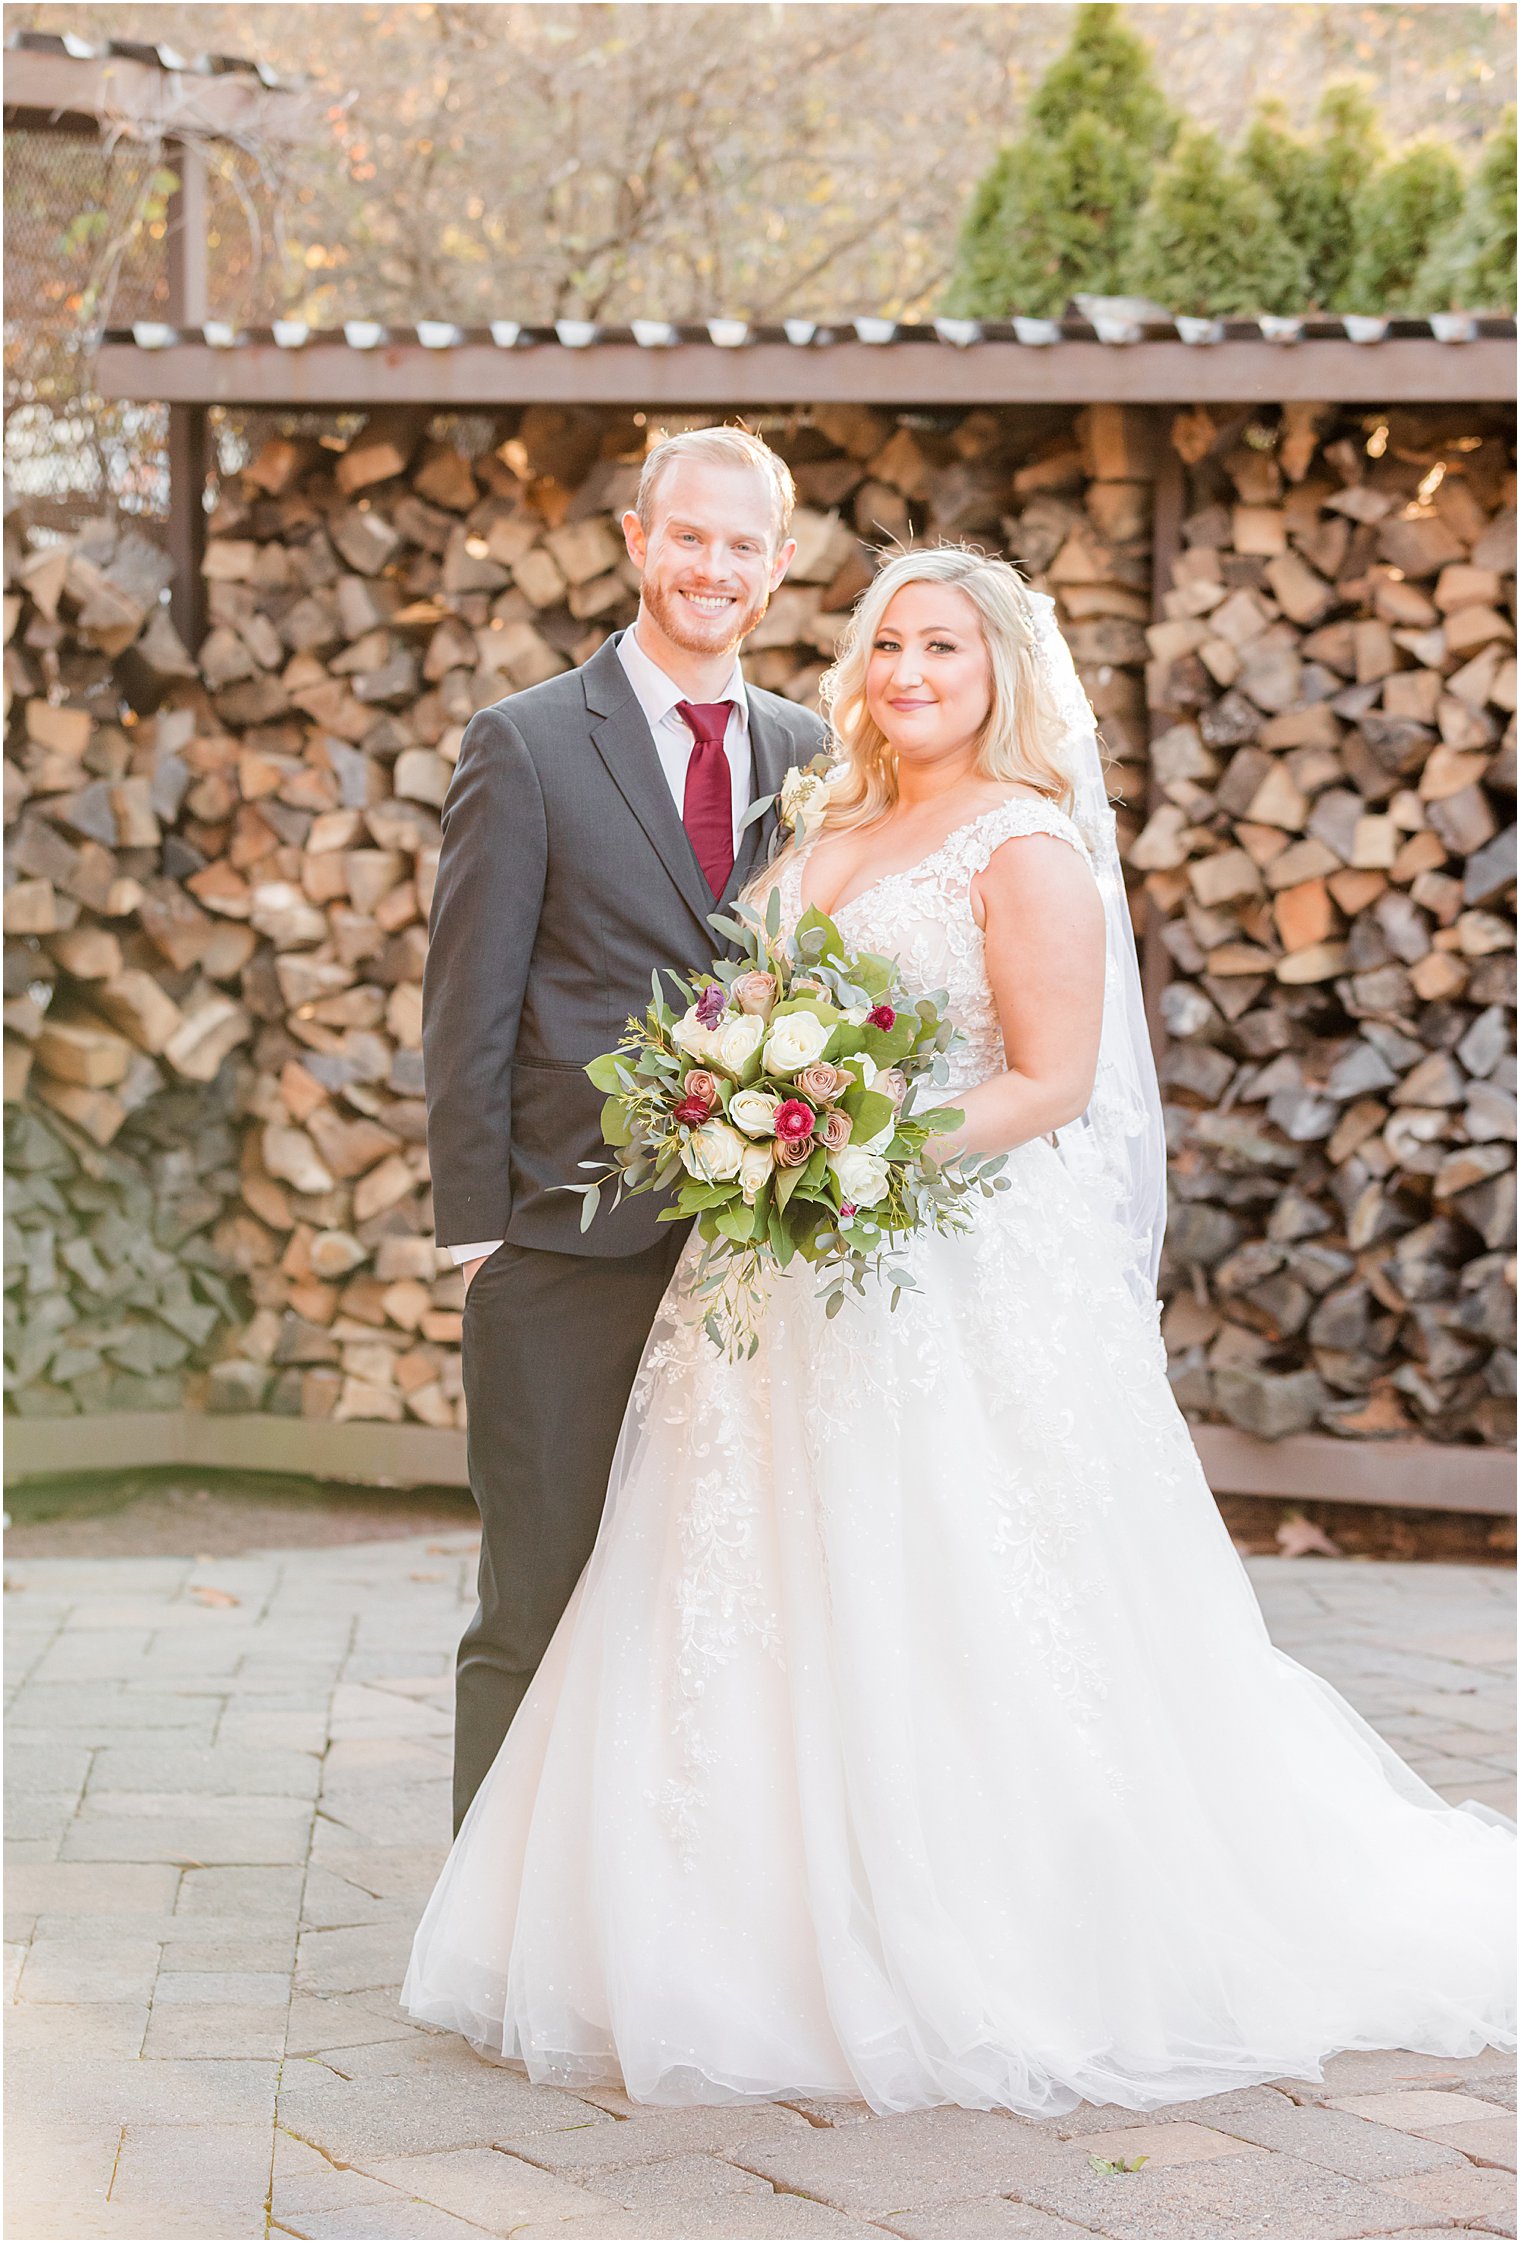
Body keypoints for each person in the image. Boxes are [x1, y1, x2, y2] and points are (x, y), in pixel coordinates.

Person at [406, 545, 1514, 2118]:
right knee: (737, 1581)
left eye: (942, 646)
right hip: (769, 1275)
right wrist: (747, 1119)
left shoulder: (1025, 842)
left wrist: (858, 1149)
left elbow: (1051, 1081)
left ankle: (985, 1927)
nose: (909, 671)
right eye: (886, 646)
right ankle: (723, 1932)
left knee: (944, 1579)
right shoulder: (831, 820)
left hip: (939, 1268)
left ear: (1000, 670)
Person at [423, 424, 826, 1832]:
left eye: (744, 545)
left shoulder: (815, 755)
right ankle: (483, 1918)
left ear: (778, 571)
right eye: (690, 536)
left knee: (716, 1603)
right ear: (641, 541)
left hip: (761, 1261)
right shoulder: (527, 744)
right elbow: (467, 1006)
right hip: (565, 1245)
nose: (714, 566)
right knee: (536, 1596)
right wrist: (479, 1242)